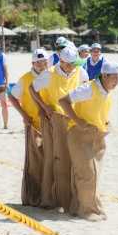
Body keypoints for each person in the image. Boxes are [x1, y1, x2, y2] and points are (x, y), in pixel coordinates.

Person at [59, 60, 118, 222]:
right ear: (104, 75)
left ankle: (79, 207)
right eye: (114, 77)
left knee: (94, 175)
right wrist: (78, 122)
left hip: (97, 136)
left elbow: (100, 106)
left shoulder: (110, 89)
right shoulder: (87, 89)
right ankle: (88, 211)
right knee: (88, 174)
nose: (117, 81)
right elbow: (63, 101)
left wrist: (105, 119)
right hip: (79, 135)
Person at [29, 46, 88, 212]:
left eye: (76, 64)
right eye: (70, 64)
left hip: (74, 118)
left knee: (75, 158)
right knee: (58, 158)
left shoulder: (80, 71)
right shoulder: (49, 73)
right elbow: (32, 89)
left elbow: (87, 91)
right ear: (61, 61)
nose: (74, 67)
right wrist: (43, 106)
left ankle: (74, 197)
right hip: (57, 120)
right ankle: (55, 197)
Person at [9, 49, 49, 206]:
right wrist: (23, 115)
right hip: (33, 125)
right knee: (34, 162)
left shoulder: (51, 75)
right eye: (38, 63)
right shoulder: (26, 79)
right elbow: (12, 97)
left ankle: (48, 197)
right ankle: (33, 198)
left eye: (44, 62)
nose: (42, 66)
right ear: (33, 64)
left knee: (49, 161)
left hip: (50, 125)